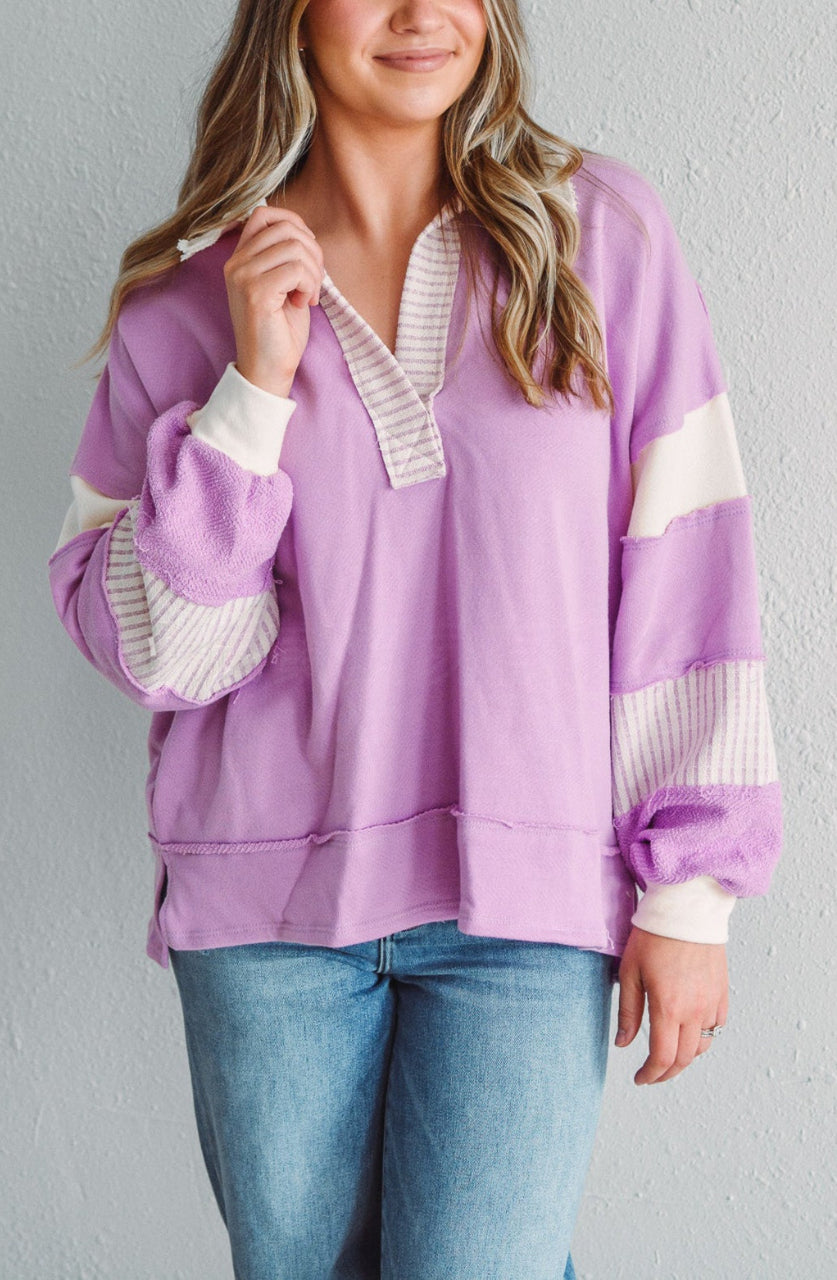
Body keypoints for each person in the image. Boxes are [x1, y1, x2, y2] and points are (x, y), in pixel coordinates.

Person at [48, 2, 783, 1276]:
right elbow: (165, 656)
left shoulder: (599, 237)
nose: (419, 14)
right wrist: (250, 392)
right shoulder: (190, 296)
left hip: (526, 902)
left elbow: (687, 567)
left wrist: (691, 890)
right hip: (266, 910)